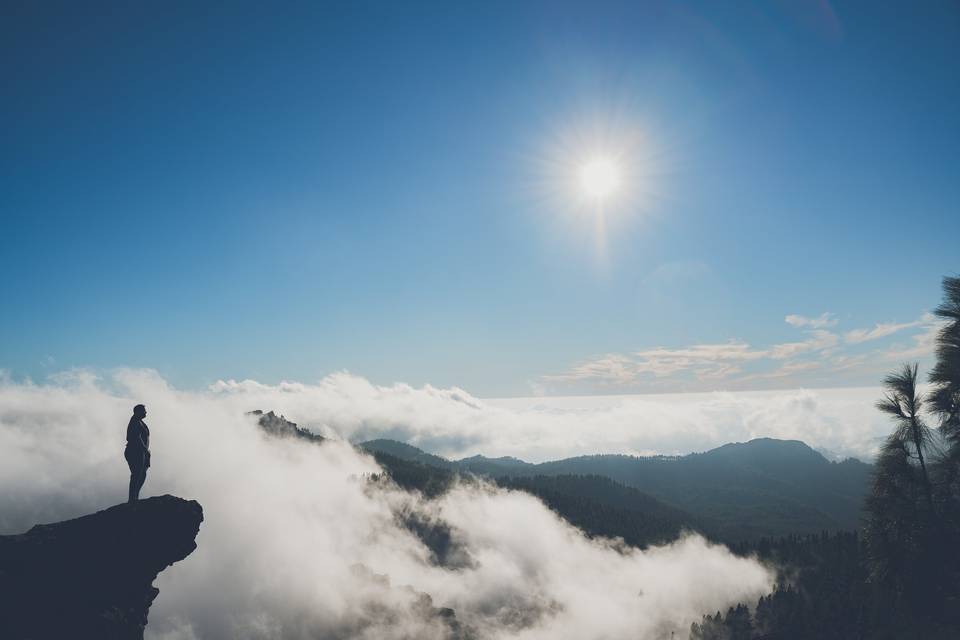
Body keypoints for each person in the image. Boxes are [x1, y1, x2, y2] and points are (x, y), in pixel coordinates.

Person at [125, 404, 151, 503]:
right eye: (144, 411)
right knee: (137, 474)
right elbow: (136, 437)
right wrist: (145, 450)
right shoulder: (135, 421)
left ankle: (135, 496)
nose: (145, 413)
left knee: (142, 474)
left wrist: (146, 451)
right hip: (135, 451)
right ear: (137, 411)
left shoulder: (140, 422)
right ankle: (132, 498)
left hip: (142, 452)